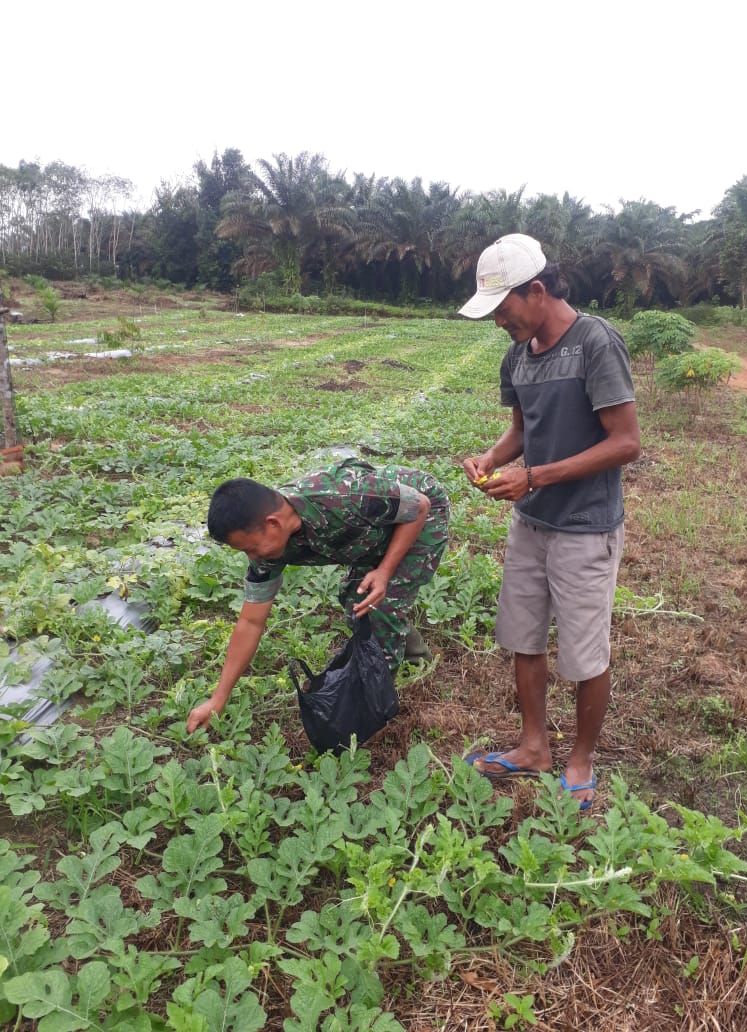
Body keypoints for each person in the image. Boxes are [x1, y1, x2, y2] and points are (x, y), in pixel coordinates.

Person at [459, 234, 641, 809]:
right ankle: (533, 747)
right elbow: (522, 430)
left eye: (503, 309)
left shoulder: (595, 344)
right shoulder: (517, 355)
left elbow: (626, 443)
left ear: (536, 290)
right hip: (531, 524)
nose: (498, 323)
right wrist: (494, 458)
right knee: (524, 636)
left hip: (585, 526)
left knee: (586, 653)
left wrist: (536, 477)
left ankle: (580, 760)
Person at [186, 458, 449, 733]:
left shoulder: (344, 496)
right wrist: (218, 698)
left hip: (420, 513)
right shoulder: (267, 546)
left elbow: (419, 506)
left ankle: (376, 703)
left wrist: (384, 571)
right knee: (356, 600)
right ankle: (415, 655)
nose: (252, 557)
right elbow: (251, 622)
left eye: (251, 548)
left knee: (380, 605)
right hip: (374, 531)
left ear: (273, 524)